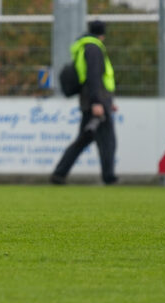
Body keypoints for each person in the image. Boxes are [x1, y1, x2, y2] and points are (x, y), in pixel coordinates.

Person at [51, 20, 119, 185]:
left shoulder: (85, 47)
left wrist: (107, 101)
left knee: (84, 139)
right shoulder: (94, 49)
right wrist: (98, 102)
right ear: (102, 35)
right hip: (95, 103)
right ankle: (109, 177)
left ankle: (59, 174)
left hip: (93, 101)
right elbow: (94, 78)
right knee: (108, 140)